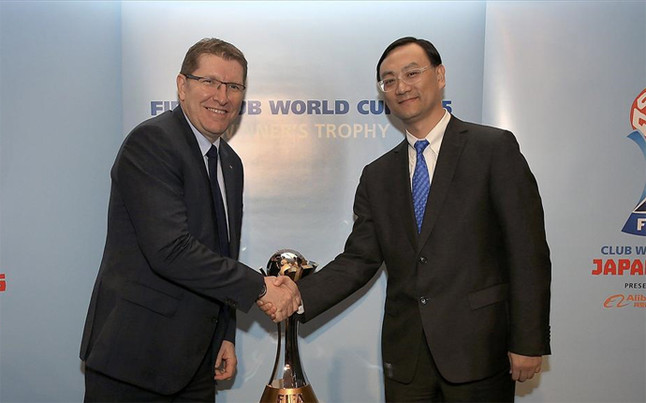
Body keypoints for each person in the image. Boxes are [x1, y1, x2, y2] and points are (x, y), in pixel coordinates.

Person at [260, 36, 551, 402]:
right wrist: (297, 295)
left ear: (440, 75)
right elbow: (359, 260)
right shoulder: (377, 175)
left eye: (412, 73)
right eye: (389, 80)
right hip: (406, 359)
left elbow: (527, 252)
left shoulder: (493, 149)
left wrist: (527, 340)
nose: (401, 86)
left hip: (479, 350)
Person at [80, 38, 301, 402]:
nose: (222, 96)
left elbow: (222, 252)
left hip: (197, 361)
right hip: (134, 359)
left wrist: (225, 333)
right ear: (182, 86)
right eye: (209, 81)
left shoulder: (230, 162)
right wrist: (260, 287)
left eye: (233, 86)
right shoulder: (152, 142)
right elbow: (171, 250)